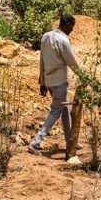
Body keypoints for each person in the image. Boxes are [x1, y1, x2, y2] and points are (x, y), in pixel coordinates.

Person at [29, 14, 82, 154]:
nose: (72, 30)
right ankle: (35, 142)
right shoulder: (63, 40)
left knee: (64, 108)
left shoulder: (46, 36)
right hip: (59, 81)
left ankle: (70, 140)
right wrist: (85, 76)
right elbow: (71, 62)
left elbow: (41, 59)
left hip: (49, 80)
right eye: (72, 27)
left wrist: (42, 81)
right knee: (56, 111)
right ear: (68, 24)